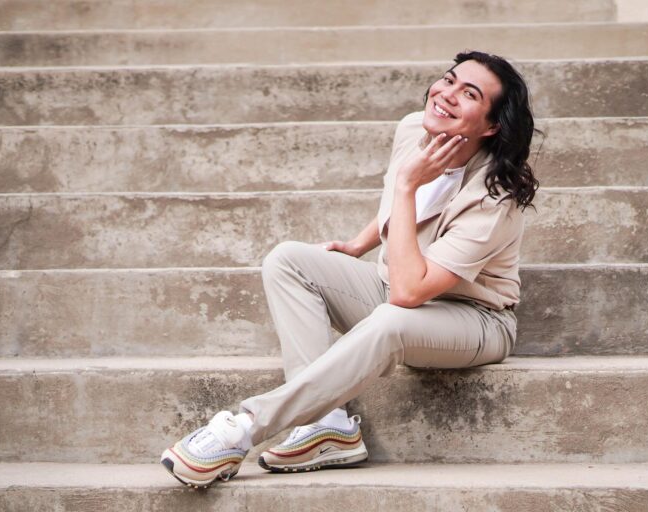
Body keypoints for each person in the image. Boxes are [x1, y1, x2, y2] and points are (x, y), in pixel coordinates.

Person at [161, 50, 539, 488]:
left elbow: (407, 294)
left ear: (491, 126)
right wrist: (360, 243)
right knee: (288, 260)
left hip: (474, 320)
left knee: (390, 319)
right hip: (398, 291)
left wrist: (407, 184)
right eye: (449, 80)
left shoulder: (495, 196)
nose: (447, 94)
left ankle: (244, 428)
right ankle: (327, 426)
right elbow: (403, 215)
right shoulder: (414, 129)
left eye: (470, 94)